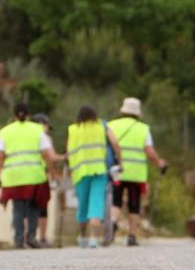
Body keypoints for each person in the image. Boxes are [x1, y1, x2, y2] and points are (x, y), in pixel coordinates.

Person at [0, 104, 58, 249]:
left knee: (18, 208)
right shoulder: (38, 130)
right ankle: (31, 237)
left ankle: (18, 239)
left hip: (13, 177)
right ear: (28, 115)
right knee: (34, 207)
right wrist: (52, 174)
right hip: (35, 176)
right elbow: (47, 155)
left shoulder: (5, 132)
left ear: (14, 116)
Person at [107, 97, 167, 246]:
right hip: (136, 173)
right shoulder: (143, 129)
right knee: (134, 205)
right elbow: (149, 151)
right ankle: (132, 236)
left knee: (116, 201)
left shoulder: (111, 125)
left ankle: (113, 224)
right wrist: (160, 163)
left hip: (116, 171)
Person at [67, 106, 121, 248]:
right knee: (96, 205)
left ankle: (83, 237)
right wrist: (120, 162)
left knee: (83, 206)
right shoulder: (102, 126)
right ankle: (93, 239)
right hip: (99, 171)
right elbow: (115, 143)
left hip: (80, 172)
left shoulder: (73, 129)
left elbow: (68, 151)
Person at [31, 113, 59, 246]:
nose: (48, 128)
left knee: (26, 207)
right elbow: (51, 157)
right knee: (42, 207)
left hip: (22, 176)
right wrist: (65, 157)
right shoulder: (44, 137)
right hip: (40, 175)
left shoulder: (26, 136)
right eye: (47, 125)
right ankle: (42, 238)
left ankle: (28, 236)